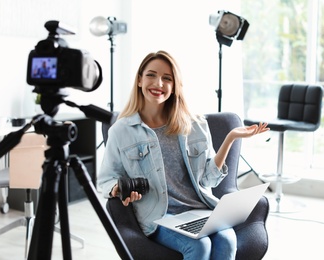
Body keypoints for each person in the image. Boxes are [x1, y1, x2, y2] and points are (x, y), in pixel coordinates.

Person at [98, 50, 269, 260]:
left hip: (200, 209)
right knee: (200, 247)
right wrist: (119, 189)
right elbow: (106, 179)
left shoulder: (195, 125)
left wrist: (230, 138)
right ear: (140, 80)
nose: (158, 83)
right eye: (151, 75)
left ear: (174, 86)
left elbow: (209, 179)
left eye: (167, 78)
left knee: (227, 240)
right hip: (160, 215)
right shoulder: (121, 130)